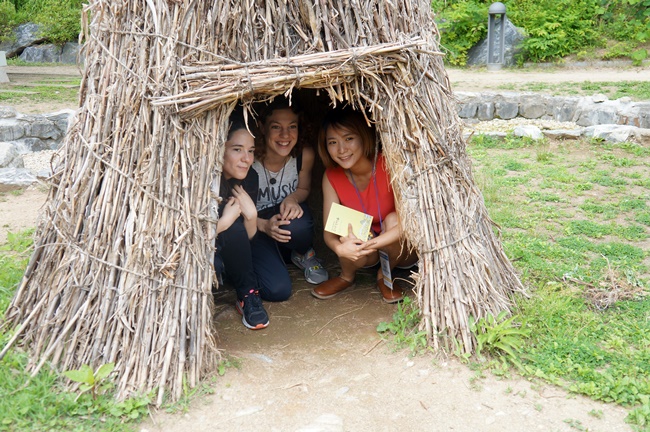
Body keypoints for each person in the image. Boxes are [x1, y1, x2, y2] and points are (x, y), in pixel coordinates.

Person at [312, 108, 417, 303]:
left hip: (400, 250)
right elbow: (329, 232)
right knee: (344, 230)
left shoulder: (389, 164)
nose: (341, 150)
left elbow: (406, 226)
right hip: (366, 248)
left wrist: (372, 244)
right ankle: (346, 276)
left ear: (363, 136)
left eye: (349, 139)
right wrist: (339, 248)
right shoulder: (331, 176)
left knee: (393, 219)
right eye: (332, 143)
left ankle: (384, 276)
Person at [250, 97, 329, 301]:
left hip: (284, 218)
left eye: (292, 127)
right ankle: (273, 258)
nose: (285, 135)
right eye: (276, 127)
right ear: (262, 127)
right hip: (254, 225)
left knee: (299, 227)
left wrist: (293, 199)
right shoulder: (247, 158)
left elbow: (303, 187)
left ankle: (302, 253)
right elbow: (231, 207)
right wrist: (262, 225)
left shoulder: (303, 154)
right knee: (277, 291)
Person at [214, 110, 269, 330]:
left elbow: (248, 241)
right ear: (220, 148)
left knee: (278, 289)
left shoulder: (250, 178)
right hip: (205, 255)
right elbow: (181, 236)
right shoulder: (202, 182)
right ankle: (247, 290)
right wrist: (223, 224)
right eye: (237, 150)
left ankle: (247, 295)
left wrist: (252, 216)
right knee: (231, 228)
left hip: (236, 253)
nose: (247, 159)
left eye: (251, 151)